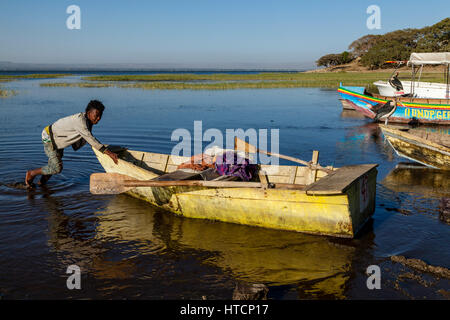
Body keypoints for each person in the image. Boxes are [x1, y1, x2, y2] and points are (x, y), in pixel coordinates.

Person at [25, 100, 118, 187]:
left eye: (100, 116)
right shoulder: (80, 122)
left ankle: (41, 184)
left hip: (58, 140)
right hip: (49, 137)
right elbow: (90, 138)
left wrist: (102, 151)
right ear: (89, 113)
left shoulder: (88, 122)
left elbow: (89, 139)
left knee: (54, 166)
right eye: (96, 115)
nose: (98, 118)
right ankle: (31, 173)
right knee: (57, 168)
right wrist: (108, 152)